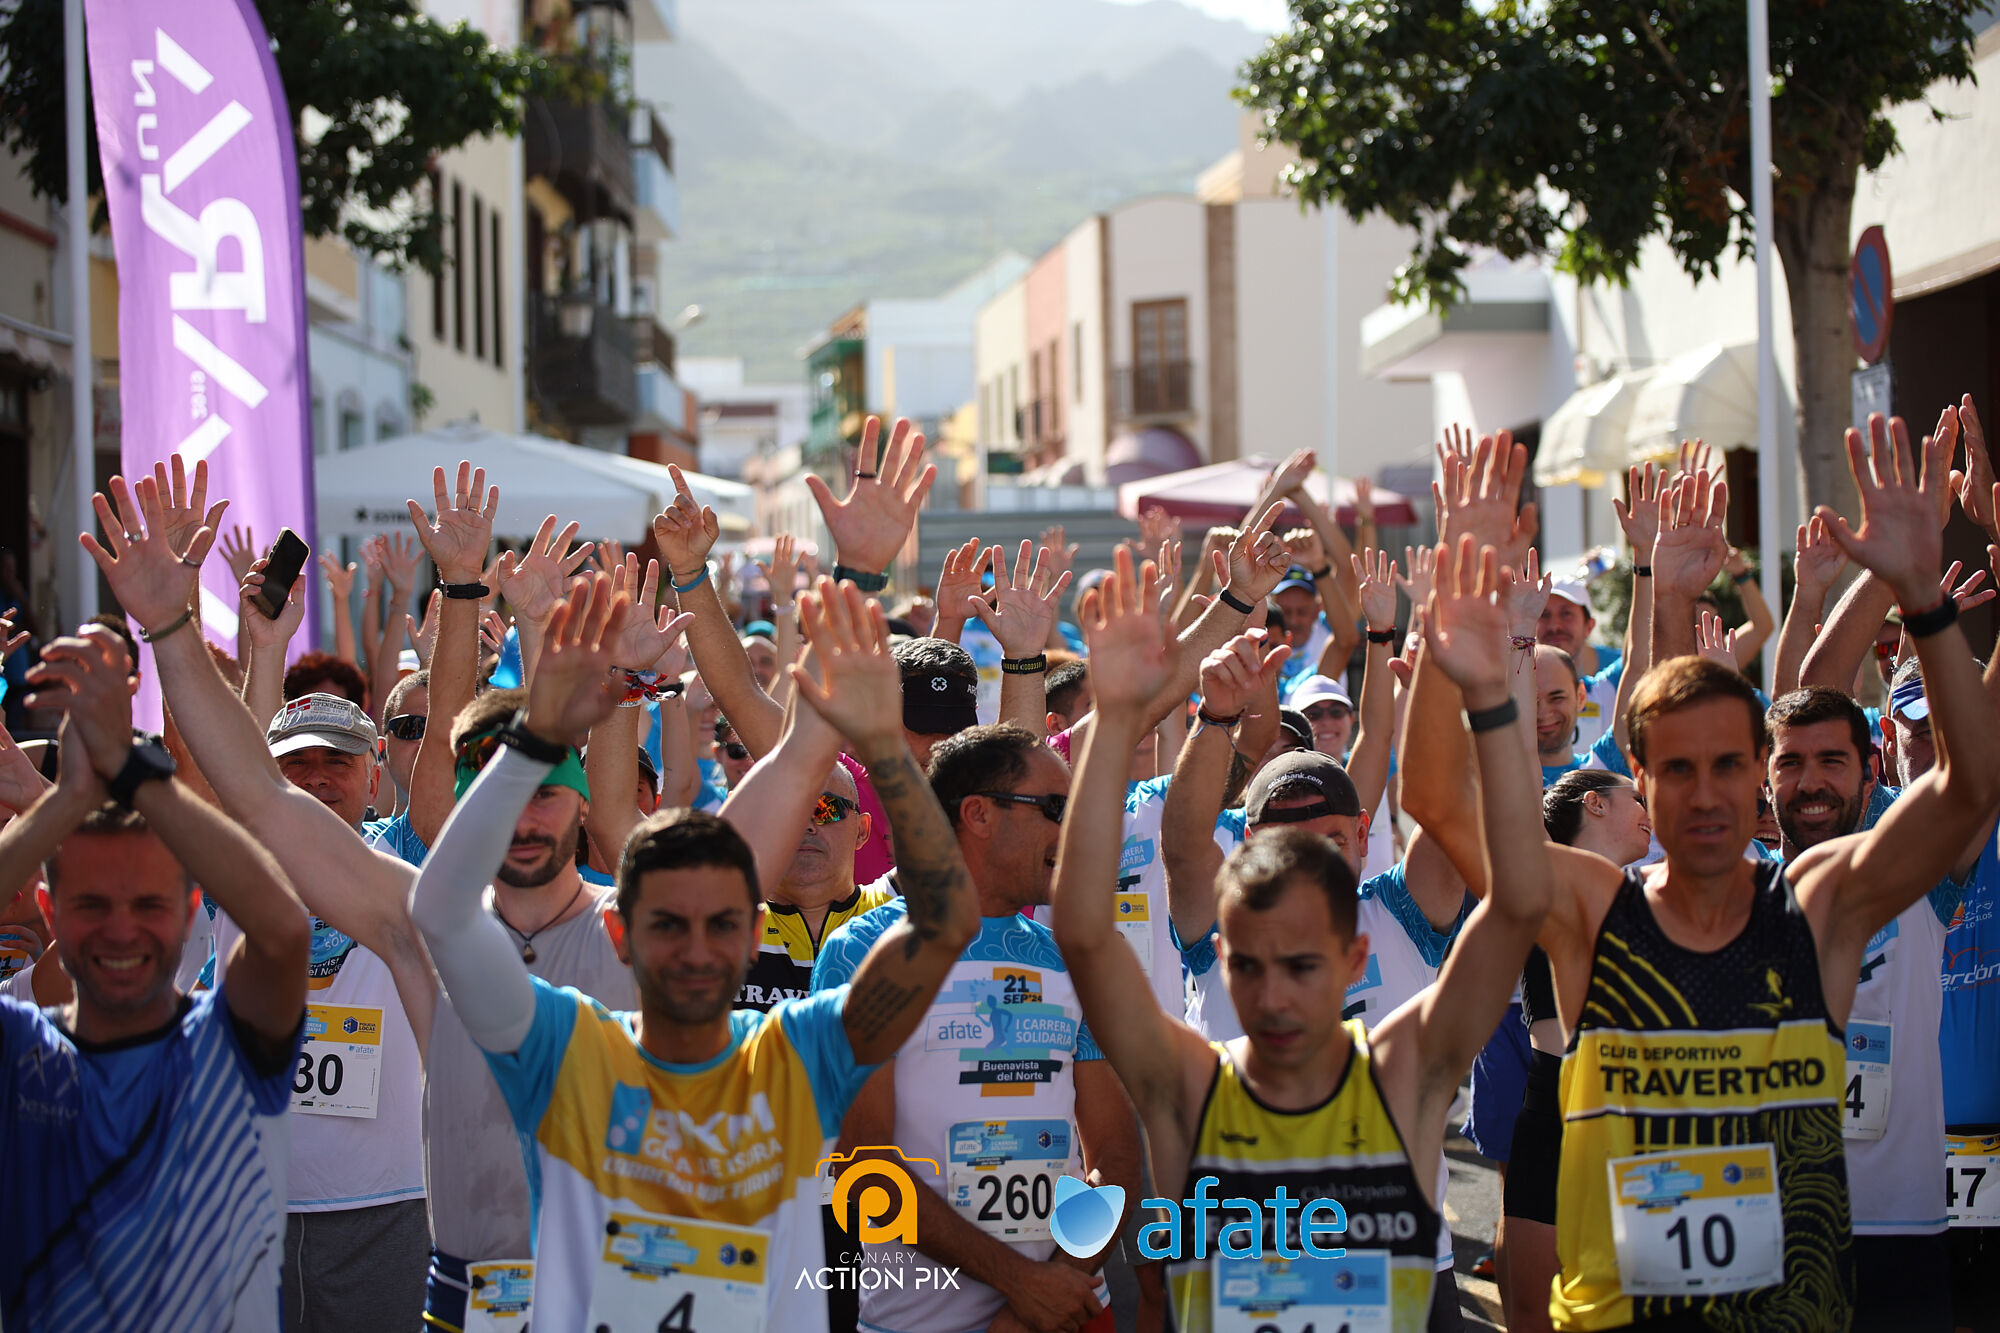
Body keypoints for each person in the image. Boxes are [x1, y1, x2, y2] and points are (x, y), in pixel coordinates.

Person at [411, 574, 984, 1333]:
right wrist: (538, 735)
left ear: (753, 936)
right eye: (667, 925)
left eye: (721, 923)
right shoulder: (566, 1049)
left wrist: (882, 747)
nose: (695, 948)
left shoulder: (797, 1054)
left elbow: (946, 922)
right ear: (620, 934)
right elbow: (442, 910)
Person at [1532, 420, 2000, 1331]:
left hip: (1899, 1232)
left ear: (1873, 771)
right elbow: (1678, 741)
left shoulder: (1891, 874)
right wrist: (1667, 596)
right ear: (1762, 781)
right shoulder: (1732, 886)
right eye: (1789, 765)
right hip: (1757, 1249)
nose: (1810, 783)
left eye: (1833, 764)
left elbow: (1971, 780)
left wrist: (1915, 589)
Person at [1052, 539, 1552, 1333]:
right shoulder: (1191, 1085)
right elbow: (1086, 930)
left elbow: (1516, 893)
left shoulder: (1399, 1069)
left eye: (1305, 964)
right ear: (1220, 956)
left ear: (1354, 955)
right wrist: (1118, 723)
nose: (1276, 993)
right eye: (1251, 965)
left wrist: (1484, 687)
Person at [88, 469, 453, 1329]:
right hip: (247, 1195)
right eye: (300, 764)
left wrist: (462, 601)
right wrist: (249, 644)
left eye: (337, 762)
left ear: (375, 777)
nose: (317, 778)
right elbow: (239, 782)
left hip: (391, 1201)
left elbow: (438, 753)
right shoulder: (243, 867)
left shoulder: (402, 866)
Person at [0, 622, 310, 1327]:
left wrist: (131, 771)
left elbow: (283, 927)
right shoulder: (20, 1052)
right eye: (91, 904)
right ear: (49, 909)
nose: (121, 929)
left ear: (191, 905)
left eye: (148, 904)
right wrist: (66, 799)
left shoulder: (227, 1046)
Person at [812, 717, 1140, 1333]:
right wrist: (1021, 1284)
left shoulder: (1073, 958)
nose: (1071, 829)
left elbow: (1116, 1156)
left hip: (1066, 1311)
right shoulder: (862, 952)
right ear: (979, 814)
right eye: (1055, 808)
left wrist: (1048, 1291)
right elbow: (862, 1169)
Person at [1501, 771, 1654, 1333]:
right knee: (1535, 1316)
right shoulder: (1541, 878)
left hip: (1637, 1114)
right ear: (1595, 804)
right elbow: (1508, 792)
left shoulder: (1661, 896)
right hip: (1552, 1106)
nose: (1649, 811)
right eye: (1637, 798)